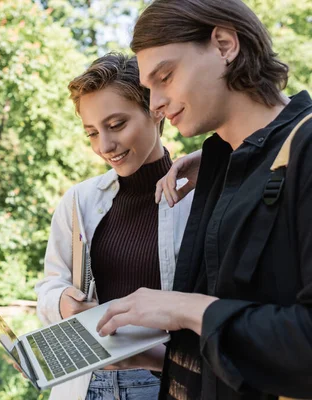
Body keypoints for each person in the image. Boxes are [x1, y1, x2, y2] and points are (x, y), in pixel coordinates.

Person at [95, 1, 312, 399]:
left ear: (225, 44)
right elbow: (236, 351)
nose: (156, 103)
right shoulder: (215, 166)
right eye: (148, 89)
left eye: (166, 76)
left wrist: (182, 308)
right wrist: (154, 357)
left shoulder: (305, 151)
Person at [35, 53, 193, 400]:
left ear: (155, 109)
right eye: (92, 132)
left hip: (162, 381)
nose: (105, 146)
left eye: (117, 124)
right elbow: (49, 284)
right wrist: (63, 300)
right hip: (83, 382)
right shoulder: (79, 200)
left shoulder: (197, 198)